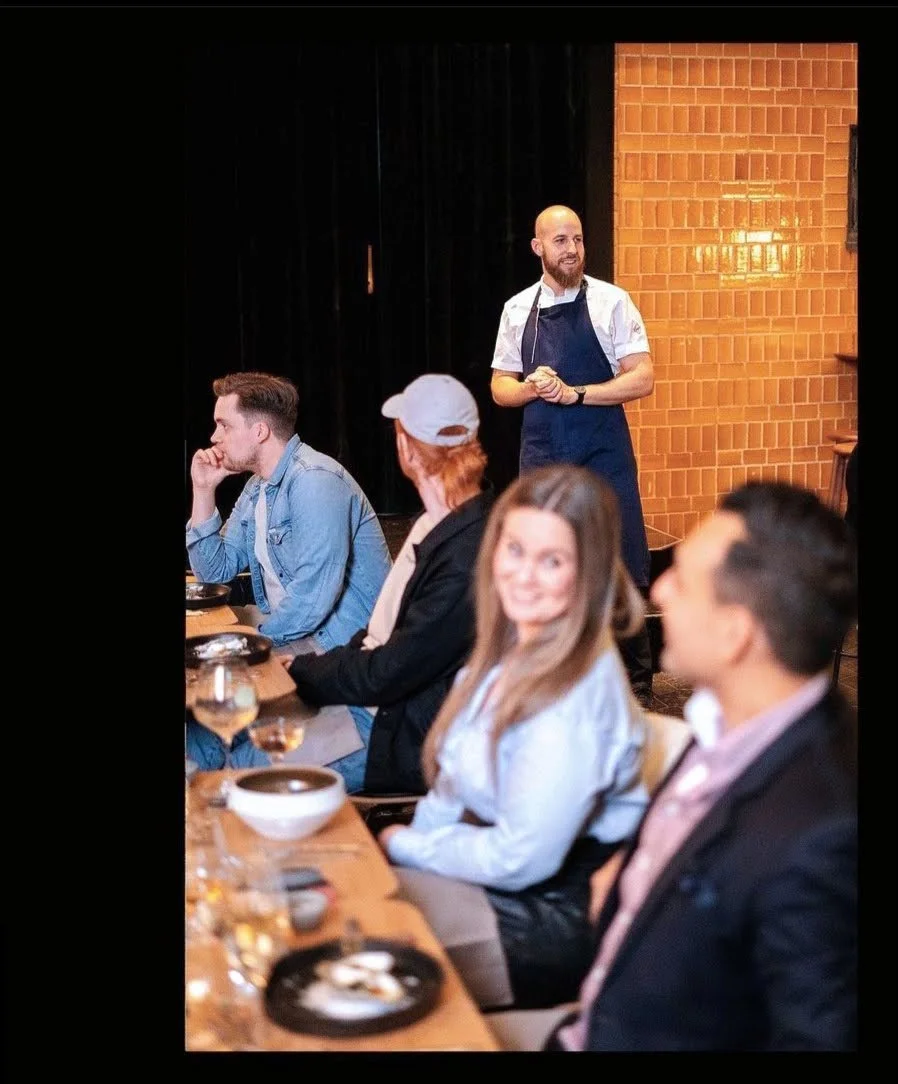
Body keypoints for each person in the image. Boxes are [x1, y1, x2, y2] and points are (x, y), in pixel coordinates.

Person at [487, 480, 858, 1051]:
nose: (659, 587)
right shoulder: (726, 722)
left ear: (736, 634)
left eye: (682, 578)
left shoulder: (821, 832)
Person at [376, 464, 651, 1010]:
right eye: (515, 550)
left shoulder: (572, 696)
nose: (523, 575)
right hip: (502, 879)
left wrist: (406, 846)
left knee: (350, 961)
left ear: (589, 573)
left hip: (548, 919)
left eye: (552, 561)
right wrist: (408, 850)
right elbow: (451, 788)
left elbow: (521, 859)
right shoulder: (510, 647)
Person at [281, 373, 494, 795]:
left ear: (407, 450)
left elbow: (386, 673)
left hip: (400, 736)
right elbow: (381, 635)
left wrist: (301, 670)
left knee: (233, 756)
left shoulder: (470, 555)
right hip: (381, 708)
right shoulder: (441, 523)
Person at [490, 204, 656, 707]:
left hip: (602, 450)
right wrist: (533, 390)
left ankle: (634, 684)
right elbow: (500, 386)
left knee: (619, 559)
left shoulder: (612, 302)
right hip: (543, 453)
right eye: (561, 241)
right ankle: (553, 675)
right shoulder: (518, 309)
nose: (573, 250)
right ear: (538, 247)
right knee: (544, 560)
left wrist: (576, 393)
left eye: (578, 240)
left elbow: (642, 377)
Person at [186, 371, 391, 769]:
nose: (214, 437)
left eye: (223, 425)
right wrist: (203, 491)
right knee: (199, 738)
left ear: (259, 431)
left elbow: (312, 600)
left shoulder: (314, 480)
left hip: (344, 671)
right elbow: (215, 573)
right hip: (299, 650)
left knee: (235, 761)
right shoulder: (259, 487)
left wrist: (242, 646)